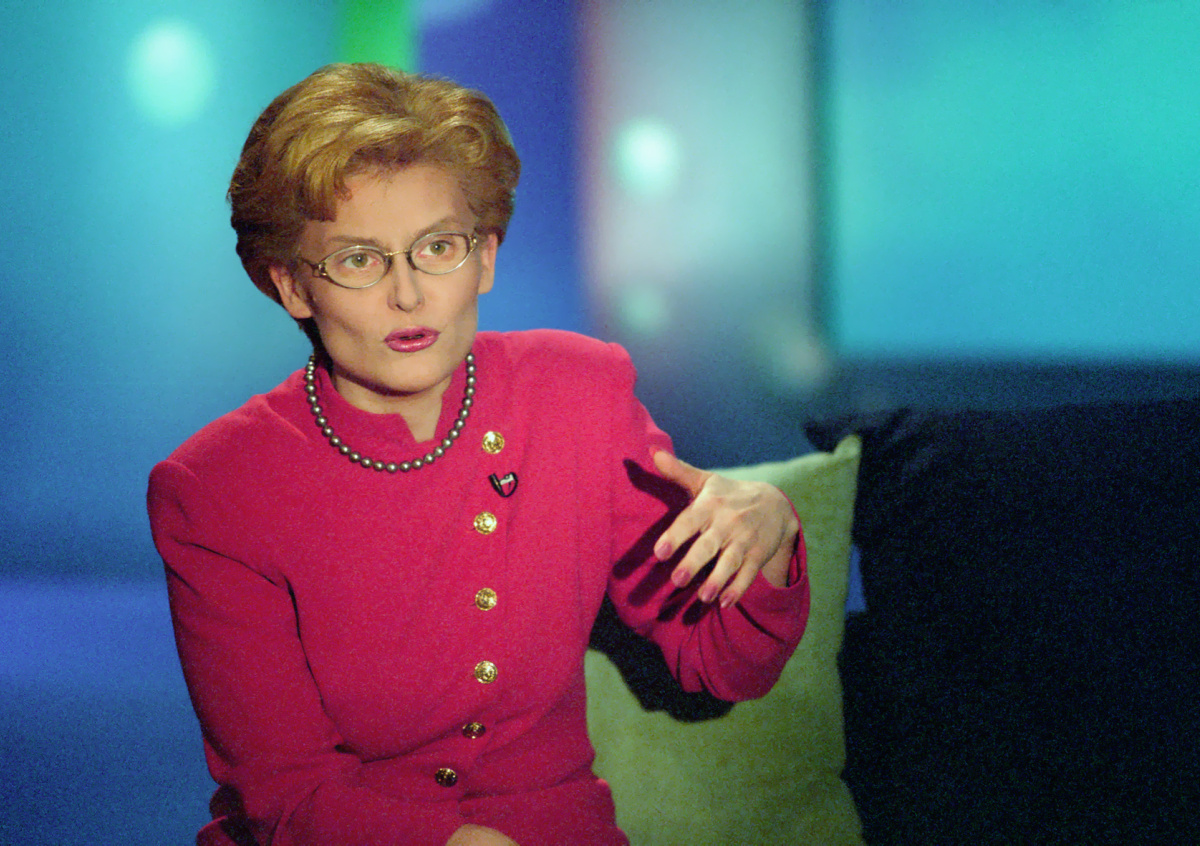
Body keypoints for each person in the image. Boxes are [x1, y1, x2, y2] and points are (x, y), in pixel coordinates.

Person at [148, 63, 809, 846]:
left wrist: (768, 534)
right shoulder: (216, 488)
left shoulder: (579, 394)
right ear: (293, 286)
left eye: (439, 247)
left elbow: (720, 666)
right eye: (359, 259)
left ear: (486, 257)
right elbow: (287, 795)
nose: (408, 294)